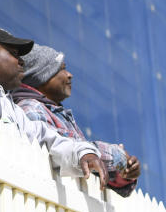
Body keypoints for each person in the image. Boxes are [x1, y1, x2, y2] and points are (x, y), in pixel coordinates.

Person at [0, 26, 107, 188]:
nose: (22, 61)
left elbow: (45, 137)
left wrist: (83, 153)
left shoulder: (12, 107)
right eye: (15, 54)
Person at [12, 44, 140, 196]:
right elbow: (63, 149)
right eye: (61, 69)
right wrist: (117, 156)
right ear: (40, 76)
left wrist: (124, 174)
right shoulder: (31, 108)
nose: (69, 74)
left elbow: (85, 166)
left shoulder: (56, 113)